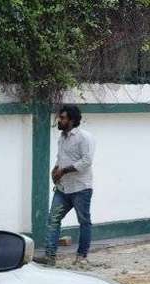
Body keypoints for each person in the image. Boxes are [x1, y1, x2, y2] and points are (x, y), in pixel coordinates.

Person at [40, 104, 95, 268]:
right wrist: (55, 171)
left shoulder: (84, 138)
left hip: (81, 188)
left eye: (63, 118)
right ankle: (50, 257)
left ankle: (82, 256)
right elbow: (61, 158)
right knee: (53, 220)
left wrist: (63, 171)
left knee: (84, 222)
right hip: (63, 189)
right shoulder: (61, 138)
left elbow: (86, 161)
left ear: (72, 120)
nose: (59, 120)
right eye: (60, 117)